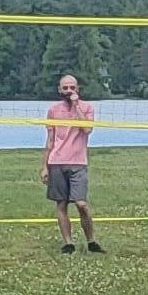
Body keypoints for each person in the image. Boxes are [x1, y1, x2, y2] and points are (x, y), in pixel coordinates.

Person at [45, 73, 103, 252]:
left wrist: (76, 105)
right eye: (65, 88)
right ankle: (68, 243)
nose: (69, 91)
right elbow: (50, 140)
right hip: (57, 162)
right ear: (59, 90)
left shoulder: (86, 108)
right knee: (61, 204)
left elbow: (87, 129)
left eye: (72, 87)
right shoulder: (53, 110)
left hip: (78, 163)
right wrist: (44, 167)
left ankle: (91, 241)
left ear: (77, 89)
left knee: (81, 204)